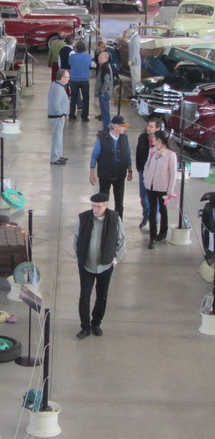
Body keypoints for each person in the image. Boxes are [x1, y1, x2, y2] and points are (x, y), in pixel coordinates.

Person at [73, 192, 126, 339]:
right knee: (84, 296)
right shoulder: (83, 218)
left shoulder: (114, 219)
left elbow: (121, 240)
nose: (95, 209)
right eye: (93, 206)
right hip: (86, 265)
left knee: (102, 296)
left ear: (106, 206)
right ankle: (85, 327)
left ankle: (96, 323)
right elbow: (76, 239)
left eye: (98, 206)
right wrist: (78, 256)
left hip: (106, 265)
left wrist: (115, 260)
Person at [89, 115, 133, 219]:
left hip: (120, 175)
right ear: (115, 127)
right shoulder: (102, 138)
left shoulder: (124, 138)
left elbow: (128, 155)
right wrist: (92, 174)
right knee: (103, 200)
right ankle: (104, 221)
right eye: (123, 126)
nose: (125, 128)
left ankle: (118, 223)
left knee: (119, 202)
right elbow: (94, 156)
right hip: (106, 175)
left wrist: (130, 171)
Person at [143, 130, 178, 249]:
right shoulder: (152, 151)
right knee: (152, 210)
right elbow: (147, 164)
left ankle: (163, 232)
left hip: (163, 188)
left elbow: (173, 173)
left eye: (154, 138)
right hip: (150, 186)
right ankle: (152, 237)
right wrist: (146, 177)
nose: (152, 139)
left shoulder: (170, 154)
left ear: (160, 140)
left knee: (163, 209)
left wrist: (170, 190)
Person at [136, 116, 162, 229]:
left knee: (154, 197)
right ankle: (146, 215)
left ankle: (154, 219)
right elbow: (138, 154)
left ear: (157, 128)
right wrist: (139, 168)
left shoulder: (162, 141)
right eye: (148, 126)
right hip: (144, 171)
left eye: (151, 127)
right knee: (143, 196)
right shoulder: (142, 138)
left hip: (156, 173)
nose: (148, 128)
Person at [47, 69, 70, 165]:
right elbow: (56, 104)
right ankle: (55, 158)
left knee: (59, 137)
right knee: (57, 137)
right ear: (62, 78)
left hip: (56, 116)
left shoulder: (55, 85)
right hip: (57, 117)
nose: (69, 79)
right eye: (67, 77)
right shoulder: (59, 89)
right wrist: (61, 114)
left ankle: (59, 155)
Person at [68, 40, 91, 122]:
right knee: (86, 99)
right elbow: (89, 65)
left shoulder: (72, 57)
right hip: (84, 79)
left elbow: (70, 64)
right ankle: (84, 116)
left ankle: (71, 115)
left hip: (74, 79)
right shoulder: (88, 56)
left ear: (76, 48)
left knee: (73, 98)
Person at [94, 50, 113, 130]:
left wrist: (102, 92)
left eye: (101, 57)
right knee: (105, 111)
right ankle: (106, 128)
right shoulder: (104, 66)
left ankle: (106, 129)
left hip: (104, 93)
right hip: (104, 93)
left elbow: (107, 81)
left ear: (106, 58)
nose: (99, 58)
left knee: (105, 112)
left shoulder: (105, 67)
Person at [128, 29, 141, 95]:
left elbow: (135, 51)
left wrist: (131, 60)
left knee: (136, 79)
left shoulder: (136, 38)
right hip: (133, 61)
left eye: (131, 29)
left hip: (135, 61)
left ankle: (136, 94)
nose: (130, 30)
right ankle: (134, 93)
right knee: (134, 78)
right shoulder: (133, 37)